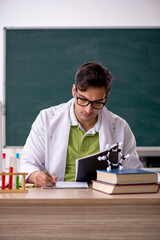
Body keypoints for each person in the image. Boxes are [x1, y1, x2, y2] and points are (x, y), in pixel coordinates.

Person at [20, 62, 143, 187]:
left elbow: (133, 172)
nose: (88, 110)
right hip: (56, 196)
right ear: (74, 91)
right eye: (83, 99)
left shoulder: (120, 127)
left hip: (102, 198)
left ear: (106, 98)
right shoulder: (46, 119)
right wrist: (35, 176)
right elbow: (27, 162)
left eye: (97, 102)